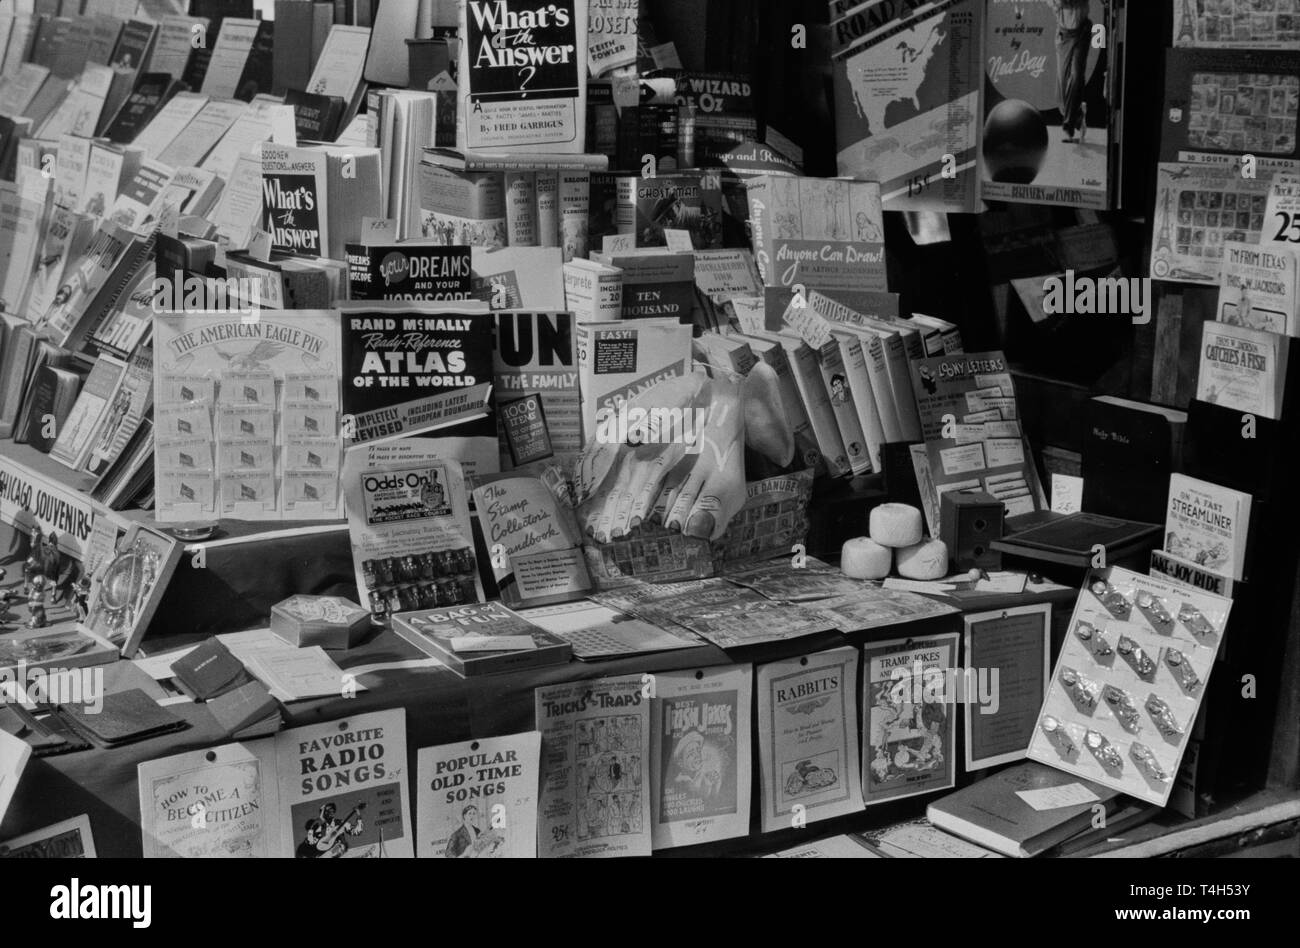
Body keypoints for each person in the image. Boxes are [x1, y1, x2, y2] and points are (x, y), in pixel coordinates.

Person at [1050, 0, 1093, 143]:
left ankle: (1068, 125)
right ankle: (1078, 116)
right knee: (1062, 85)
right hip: (1064, 35)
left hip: (1082, 32)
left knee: (1077, 76)